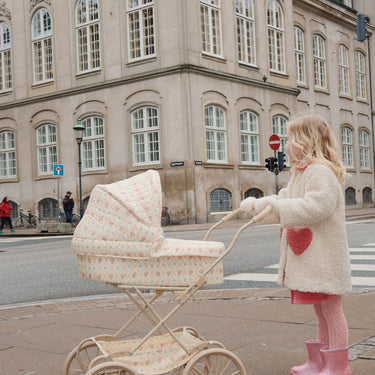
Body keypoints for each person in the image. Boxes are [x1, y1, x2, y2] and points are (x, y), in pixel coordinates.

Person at [240, 114, 352, 375]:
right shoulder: (301, 172)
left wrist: (274, 206)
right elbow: (285, 199)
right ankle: (319, 362)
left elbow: (315, 206)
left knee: (332, 310)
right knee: (320, 310)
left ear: (305, 141)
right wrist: (259, 207)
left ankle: (338, 367)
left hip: (326, 258)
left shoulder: (320, 171)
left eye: (289, 139)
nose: (285, 144)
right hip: (316, 260)